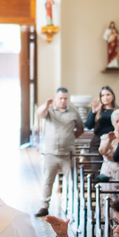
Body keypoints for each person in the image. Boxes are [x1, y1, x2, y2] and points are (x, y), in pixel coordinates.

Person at [35, 87, 84, 217]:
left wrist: (70, 137)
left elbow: (80, 128)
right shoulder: (49, 110)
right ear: (56, 98)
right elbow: (39, 114)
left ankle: (75, 206)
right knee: (47, 180)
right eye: (60, 98)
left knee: (72, 181)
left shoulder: (73, 111)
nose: (63, 101)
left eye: (65, 98)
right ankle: (44, 206)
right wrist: (46, 105)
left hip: (67, 153)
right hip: (50, 153)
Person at [97, 108, 119, 183]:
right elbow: (102, 152)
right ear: (113, 123)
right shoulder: (106, 137)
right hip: (108, 174)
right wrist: (109, 140)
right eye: (117, 121)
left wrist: (113, 157)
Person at [84, 86, 117, 152]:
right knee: (96, 161)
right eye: (103, 95)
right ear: (100, 98)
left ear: (112, 96)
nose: (106, 97)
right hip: (98, 140)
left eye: (108, 95)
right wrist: (93, 112)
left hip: (112, 139)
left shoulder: (117, 110)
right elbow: (88, 125)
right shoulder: (96, 110)